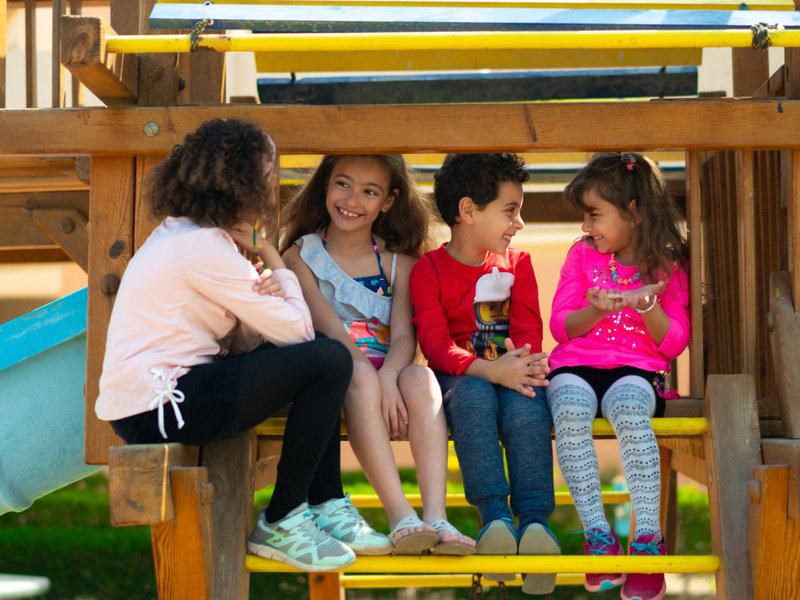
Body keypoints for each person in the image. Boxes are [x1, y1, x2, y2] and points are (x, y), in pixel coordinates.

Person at [95, 118, 375, 572]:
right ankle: (283, 519)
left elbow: (247, 344)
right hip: (159, 406)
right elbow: (298, 335)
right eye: (266, 178)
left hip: (166, 397)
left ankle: (324, 503)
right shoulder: (203, 246)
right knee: (327, 357)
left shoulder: (184, 233)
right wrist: (273, 259)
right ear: (244, 184)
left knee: (321, 356)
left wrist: (258, 304)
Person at [280, 154, 475, 555]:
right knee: (360, 374)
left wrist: (388, 378)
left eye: (369, 191)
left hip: (389, 373)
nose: (352, 199)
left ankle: (436, 517)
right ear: (326, 184)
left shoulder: (400, 263)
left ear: (388, 201)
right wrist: (375, 378)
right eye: (343, 184)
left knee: (421, 378)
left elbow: (404, 337)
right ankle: (401, 516)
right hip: (335, 376)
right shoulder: (300, 256)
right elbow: (333, 332)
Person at [409, 153, 560, 594]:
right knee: (474, 397)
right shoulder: (428, 270)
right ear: (469, 211)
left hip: (514, 369)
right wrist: (491, 371)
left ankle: (535, 525)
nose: (519, 223)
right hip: (462, 377)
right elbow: (436, 346)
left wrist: (519, 367)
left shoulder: (519, 263)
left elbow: (528, 329)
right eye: (510, 210)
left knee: (527, 403)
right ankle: (494, 518)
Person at [546, 152, 690, 600]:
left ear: (635, 211)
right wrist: (596, 308)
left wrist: (647, 307)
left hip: (636, 369)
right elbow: (561, 326)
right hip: (576, 365)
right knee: (568, 409)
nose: (586, 226)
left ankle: (647, 540)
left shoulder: (667, 265)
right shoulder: (581, 255)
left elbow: (673, 343)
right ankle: (598, 536)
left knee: (629, 410)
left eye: (594, 214)